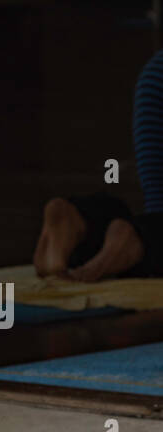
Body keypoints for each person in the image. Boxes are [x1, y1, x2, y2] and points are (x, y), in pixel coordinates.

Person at [33, 49, 163, 281]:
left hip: (155, 75)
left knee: (151, 210)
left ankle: (80, 220)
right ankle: (135, 240)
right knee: (150, 234)